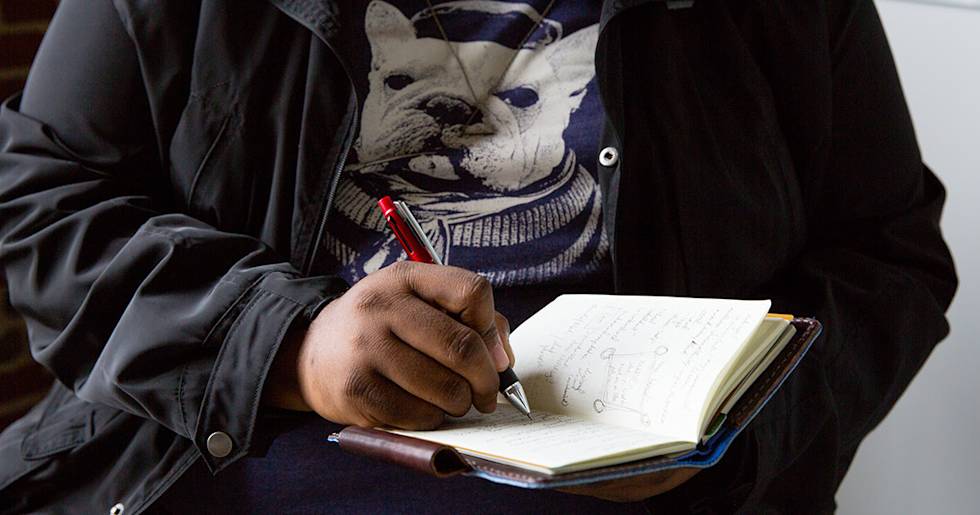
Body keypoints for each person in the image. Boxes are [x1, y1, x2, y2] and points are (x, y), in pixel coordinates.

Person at [0, 0, 957, 513]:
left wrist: (736, 441)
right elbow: (39, 202)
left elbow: (890, 256)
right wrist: (287, 345)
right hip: (215, 468)